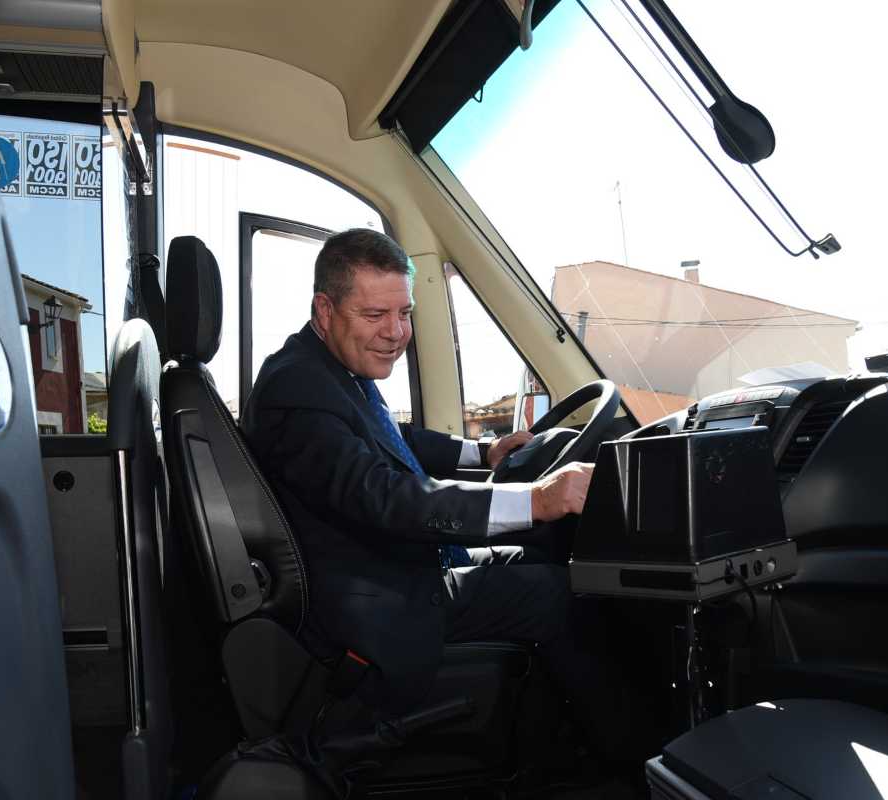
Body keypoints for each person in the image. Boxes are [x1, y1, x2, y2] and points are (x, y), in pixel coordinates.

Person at [241, 228, 620, 754]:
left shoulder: (325, 368)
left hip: (391, 567)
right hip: (376, 600)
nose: (396, 332)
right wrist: (537, 498)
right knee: (563, 594)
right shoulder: (296, 389)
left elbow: (394, 438)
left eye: (405, 313)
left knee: (545, 551)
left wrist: (483, 453)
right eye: (376, 316)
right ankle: (626, 759)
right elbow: (386, 496)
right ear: (325, 310)